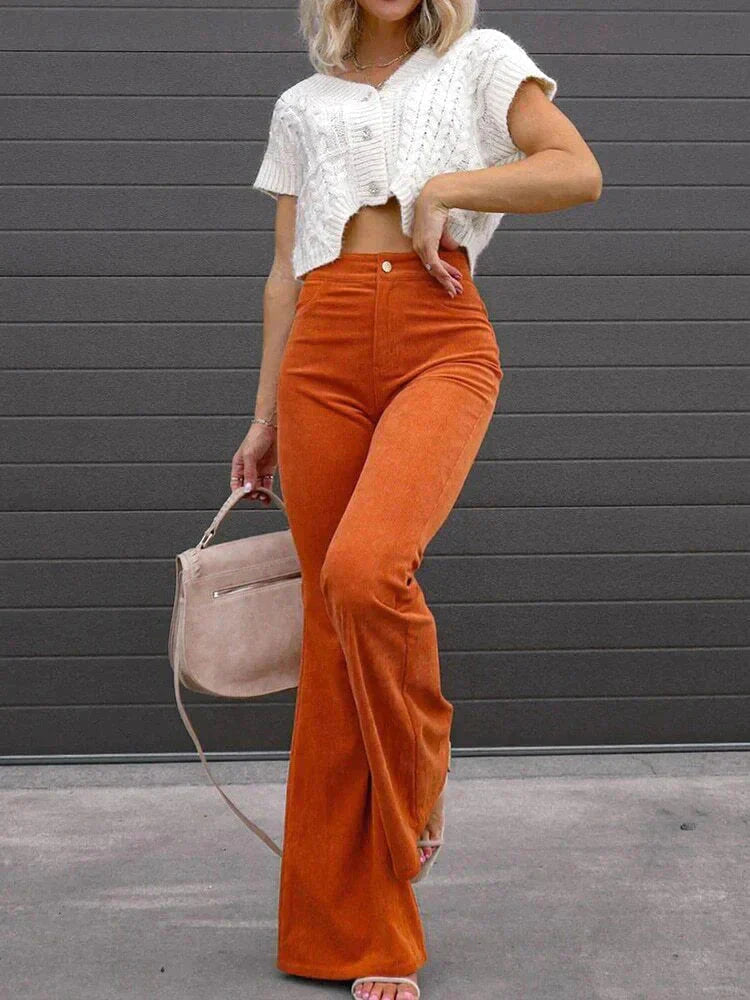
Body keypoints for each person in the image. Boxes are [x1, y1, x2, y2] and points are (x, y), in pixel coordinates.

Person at [232, 1, 602, 997]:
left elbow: (576, 167)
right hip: (321, 347)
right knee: (329, 627)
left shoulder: (480, 61)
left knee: (364, 571)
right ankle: (356, 940)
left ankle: (415, 765)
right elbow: (281, 270)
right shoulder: (302, 102)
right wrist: (262, 415)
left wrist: (449, 186)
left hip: (442, 333)